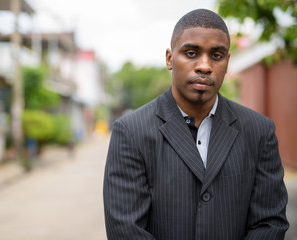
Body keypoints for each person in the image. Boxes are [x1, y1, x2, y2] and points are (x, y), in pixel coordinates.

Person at [103, 8, 289, 240]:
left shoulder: (259, 131)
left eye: (216, 56)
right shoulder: (131, 132)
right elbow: (125, 231)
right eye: (191, 53)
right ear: (170, 58)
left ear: (227, 62)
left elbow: (270, 223)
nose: (204, 66)